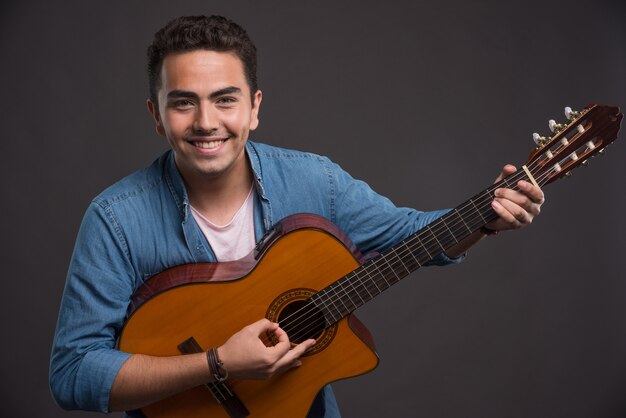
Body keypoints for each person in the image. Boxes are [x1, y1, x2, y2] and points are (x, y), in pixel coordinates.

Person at [49, 15, 544, 418]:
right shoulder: (114, 219)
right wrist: (217, 364)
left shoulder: (315, 182)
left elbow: (411, 238)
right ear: (156, 115)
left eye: (225, 99)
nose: (206, 122)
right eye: (183, 103)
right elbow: (73, 373)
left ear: (254, 107)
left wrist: (487, 218)